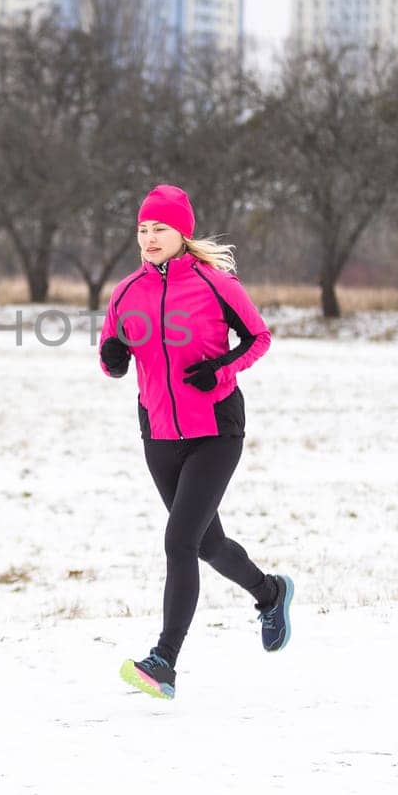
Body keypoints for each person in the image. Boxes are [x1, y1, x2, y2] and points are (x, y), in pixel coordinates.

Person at [97, 184, 292, 700]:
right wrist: (114, 360)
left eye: (160, 228)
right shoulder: (125, 292)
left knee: (178, 542)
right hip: (158, 432)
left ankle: (164, 661)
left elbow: (259, 337)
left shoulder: (215, 283)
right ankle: (270, 593)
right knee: (206, 544)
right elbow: (109, 354)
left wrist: (222, 371)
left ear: (182, 233)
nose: (150, 237)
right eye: (143, 229)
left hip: (215, 429)